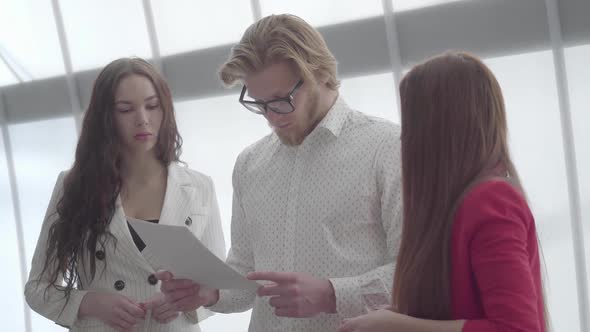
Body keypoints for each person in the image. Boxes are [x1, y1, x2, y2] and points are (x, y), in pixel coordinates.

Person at [154, 14, 403, 331]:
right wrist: (211, 291)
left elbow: (417, 275)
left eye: (281, 100)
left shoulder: (388, 148)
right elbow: (246, 274)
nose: (271, 117)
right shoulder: (249, 164)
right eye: (258, 103)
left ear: (319, 74)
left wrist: (332, 294)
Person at [338, 51, 547, 332]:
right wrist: (401, 316)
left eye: (412, 124)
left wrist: (400, 325)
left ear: (438, 128)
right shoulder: (464, 203)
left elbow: (518, 328)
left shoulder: (491, 202)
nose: (406, 138)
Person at [24, 57, 226, 331]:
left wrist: (184, 302)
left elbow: (219, 289)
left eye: (152, 106)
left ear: (165, 109)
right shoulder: (74, 185)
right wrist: (89, 302)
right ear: (106, 118)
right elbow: (37, 289)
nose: (143, 120)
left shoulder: (199, 187)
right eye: (126, 109)